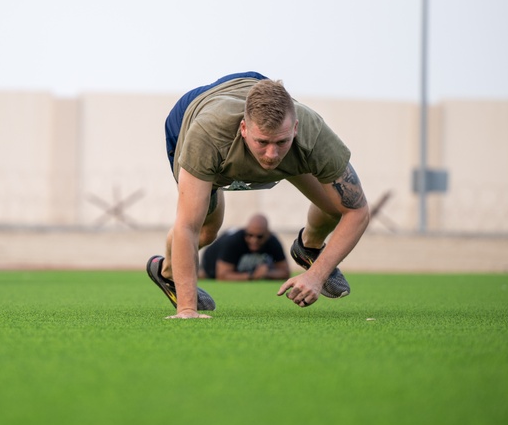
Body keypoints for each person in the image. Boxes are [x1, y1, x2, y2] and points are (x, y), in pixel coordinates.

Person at [146, 72, 369, 319]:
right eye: (262, 142)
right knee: (207, 229)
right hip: (193, 114)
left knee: (336, 206)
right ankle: (166, 272)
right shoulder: (207, 135)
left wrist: (317, 275)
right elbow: (187, 226)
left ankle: (309, 247)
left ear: (295, 129)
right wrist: (187, 309)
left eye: (281, 142)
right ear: (244, 129)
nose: (272, 154)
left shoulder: (313, 133)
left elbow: (357, 211)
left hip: (253, 89)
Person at [199, 213, 290, 282]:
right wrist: (251, 276)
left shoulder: (272, 241)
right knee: (204, 276)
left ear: (267, 234)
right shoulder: (233, 241)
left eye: (259, 236)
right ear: (245, 231)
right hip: (211, 263)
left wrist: (267, 273)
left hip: (240, 269)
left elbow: (285, 272)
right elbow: (222, 275)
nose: (253, 240)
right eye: (249, 235)